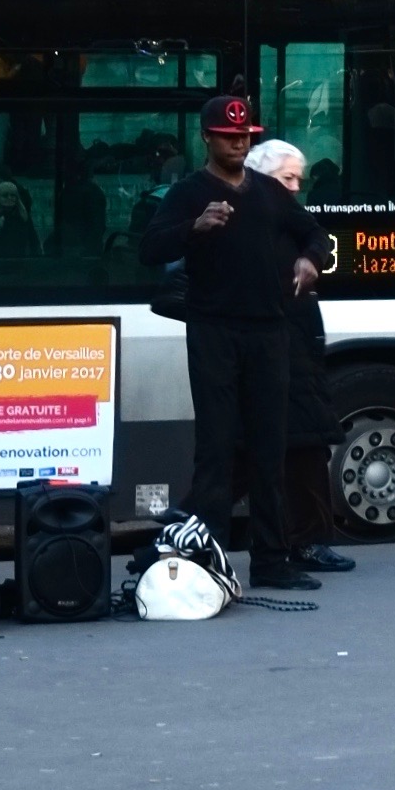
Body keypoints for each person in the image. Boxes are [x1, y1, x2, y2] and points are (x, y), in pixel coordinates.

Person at [139, 93, 329, 591]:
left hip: (269, 333)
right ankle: (209, 561)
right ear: (207, 138)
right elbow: (150, 247)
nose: (239, 142)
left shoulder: (269, 191)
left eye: (245, 135)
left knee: (270, 449)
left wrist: (311, 261)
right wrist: (194, 227)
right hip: (214, 331)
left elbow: (317, 236)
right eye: (229, 136)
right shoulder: (188, 191)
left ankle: (271, 560)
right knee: (217, 449)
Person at [242, 138, 353, 575]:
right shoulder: (248, 218)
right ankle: (301, 542)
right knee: (287, 452)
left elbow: (320, 241)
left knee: (300, 450)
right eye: (287, 178)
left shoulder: (286, 217)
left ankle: (299, 540)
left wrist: (311, 258)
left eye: (298, 180)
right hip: (272, 350)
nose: (294, 188)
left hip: (296, 350)